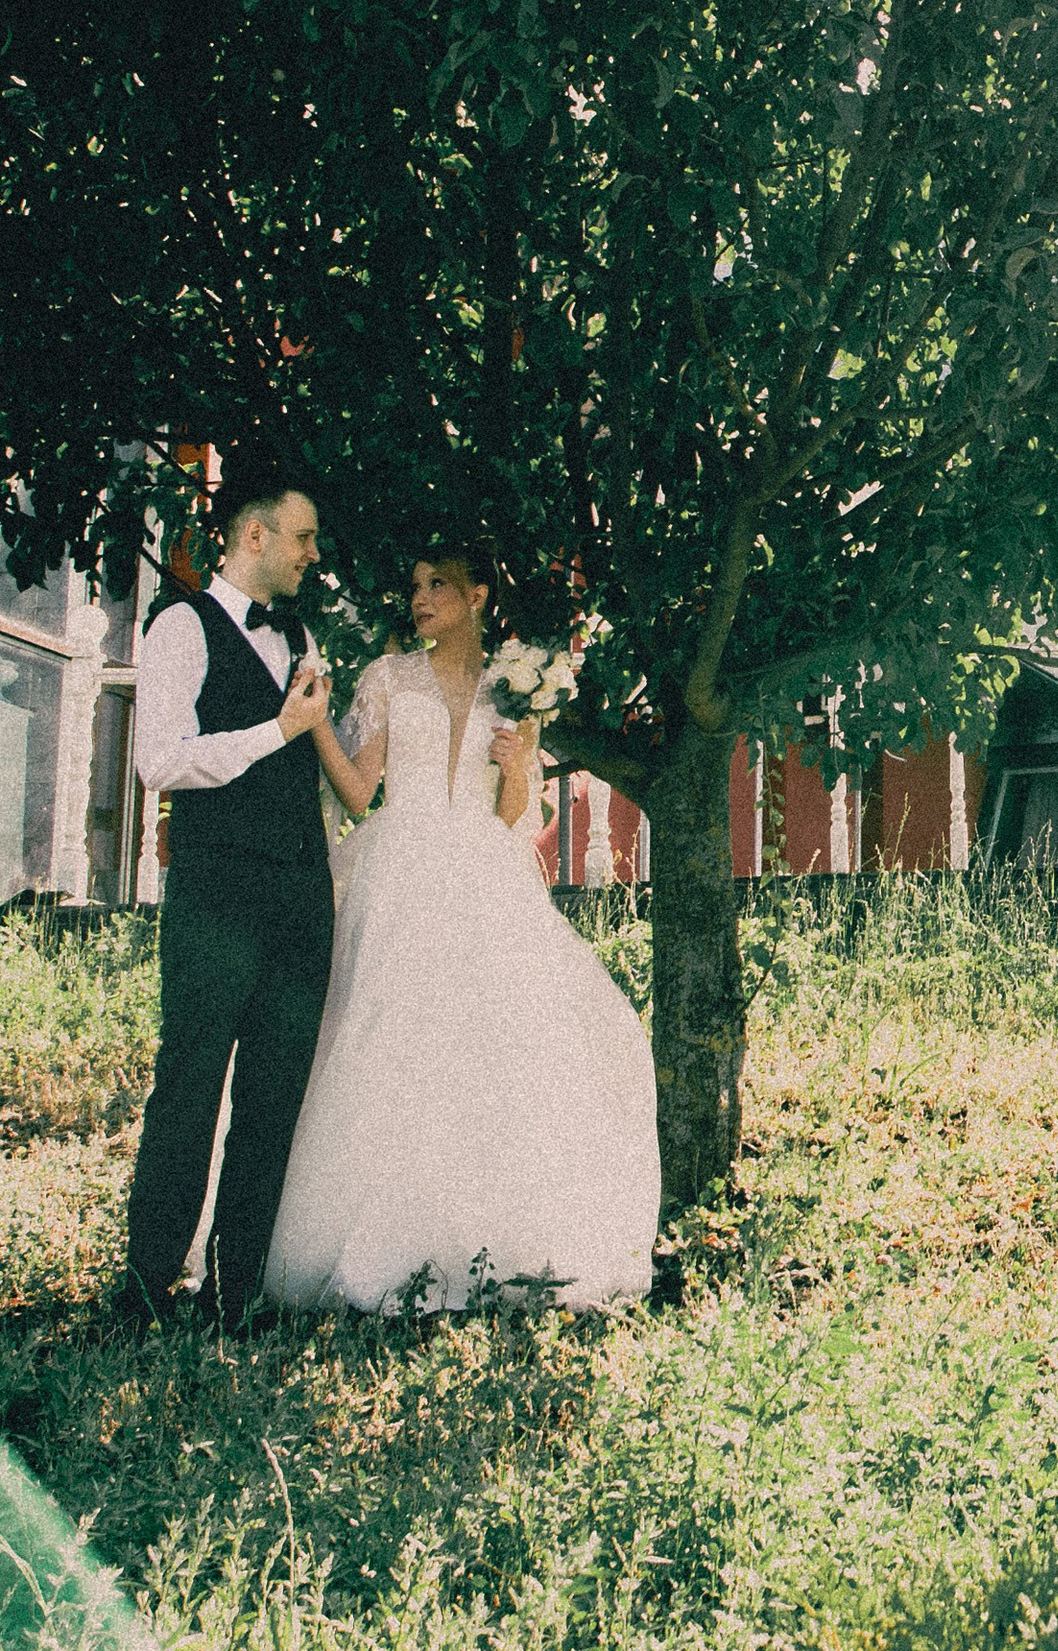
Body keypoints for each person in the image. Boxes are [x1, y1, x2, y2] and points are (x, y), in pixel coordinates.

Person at [263, 539, 660, 1316]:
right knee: (382, 1038)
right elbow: (355, 793)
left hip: (481, 870)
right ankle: (367, 1241)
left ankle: (481, 1241)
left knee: (493, 1044)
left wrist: (518, 770)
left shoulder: (518, 691)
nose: (420, 599)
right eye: (415, 584)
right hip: (398, 866)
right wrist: (311, 725)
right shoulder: (387, 677)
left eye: (437, 584)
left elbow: (517, 816)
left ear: (478, 596)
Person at [121, 466, 335, 1330]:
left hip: (300, 893)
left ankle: (235, 1290)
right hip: (216, 893)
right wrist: (275, 730)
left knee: (273, 1095)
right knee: (191, 1083)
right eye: (302, 537)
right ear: (254, 535)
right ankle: (144, 1290)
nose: (313, 556)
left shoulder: (302, 635)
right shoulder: (179, 626)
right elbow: (160, 761)